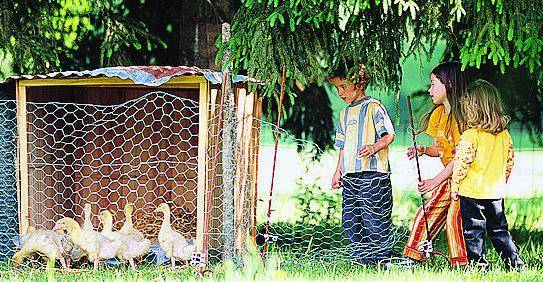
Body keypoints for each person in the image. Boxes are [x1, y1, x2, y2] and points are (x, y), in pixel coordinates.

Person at [451, 79, 524, 271]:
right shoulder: (504, 135)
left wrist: (455, 188)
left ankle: (478, 266)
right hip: (495, 192)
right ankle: (515, 263)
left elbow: (461, 165)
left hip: (472, 193)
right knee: (500, 230)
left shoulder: (470, 136)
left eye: (468, 106)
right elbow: (509, 162)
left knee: (474, 231)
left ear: (475, 108)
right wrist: (501, 181)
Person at [403, 62, 468, 266]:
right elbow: (439, 149)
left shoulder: (463, 116)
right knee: (427, 211)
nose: (429, 90)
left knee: (453, 220)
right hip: (449, 177)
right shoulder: (438, 115)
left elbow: (460, 158)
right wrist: (422, 150)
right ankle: (413, 256)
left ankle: (462, 263)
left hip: (466, 179)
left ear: (448, 84)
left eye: (433, 84)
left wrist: (434, 181)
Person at [330, 63, 396, 265]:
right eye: (337, 88)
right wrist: (337, 172)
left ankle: (383, 260)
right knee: (350, 221)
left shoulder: (373, 107)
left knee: (374, 220)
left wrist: (374, 147)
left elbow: (389, 135)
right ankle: (362, 260)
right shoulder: (344, 114)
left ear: (359, 83)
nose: (340, 92)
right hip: (350, 176)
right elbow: (341, 147)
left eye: (344, 86)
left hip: (373, 175)